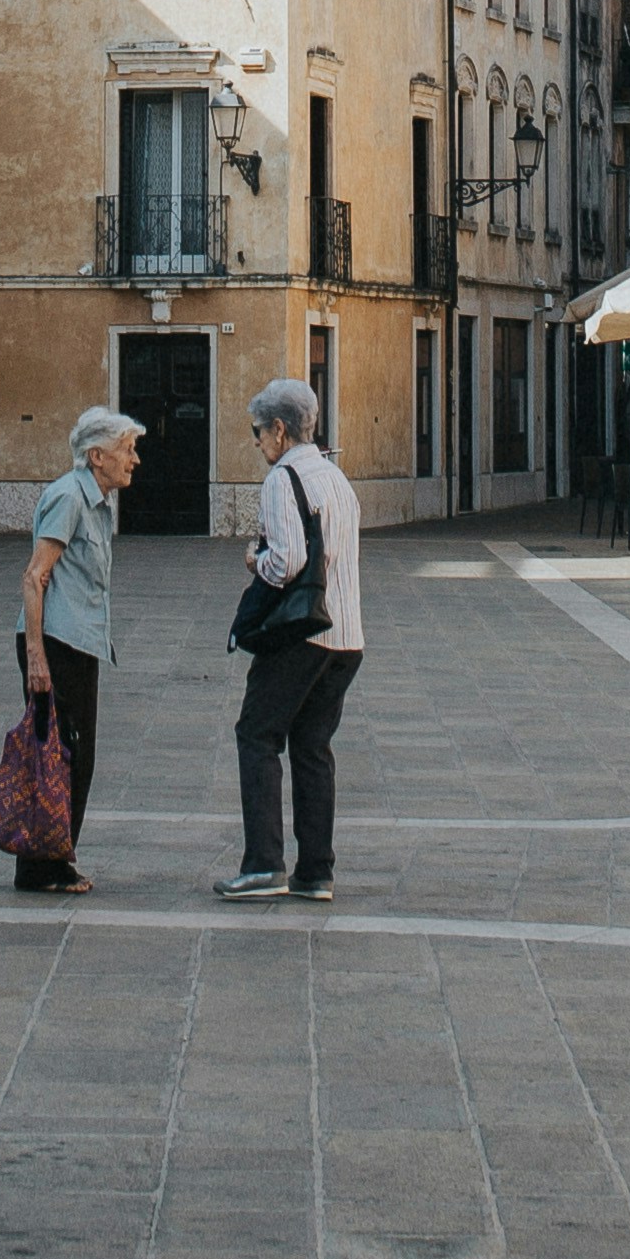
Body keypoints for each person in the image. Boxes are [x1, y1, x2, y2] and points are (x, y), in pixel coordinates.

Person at [212, 379, 365, 907]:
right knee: (312, 747)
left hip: (303, 635)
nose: (257, 442)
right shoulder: (336, 479)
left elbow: (288, 561)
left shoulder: (283, 478)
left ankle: (263, 864)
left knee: (256, 734)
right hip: (346, 636)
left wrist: (255, 560)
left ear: (279, 430)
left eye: (258, 432)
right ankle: (316, 871)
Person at [14, 404, 141, 896]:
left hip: (77, 640)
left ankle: (48, 861)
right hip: (55, 641)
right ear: (96, 456)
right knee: (63, 755)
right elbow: (34, 576)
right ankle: (45, 866)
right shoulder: (69, 498)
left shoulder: (96, 502)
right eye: (126, 451)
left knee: (69, 754)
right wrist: (36, 657)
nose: (134, 461)